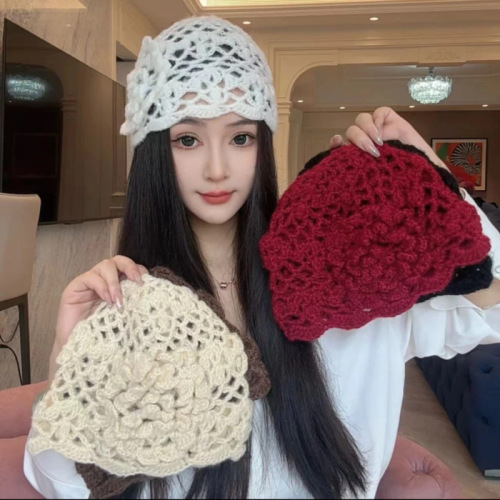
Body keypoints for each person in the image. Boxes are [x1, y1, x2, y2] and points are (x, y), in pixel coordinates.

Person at [0, 15, 498, 500]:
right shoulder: (131, 306)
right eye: (188, 139)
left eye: (240, 137)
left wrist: (428, 173)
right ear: (153, 153)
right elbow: (64, 485)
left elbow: (492, 309)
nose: (217, 169)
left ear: (262, 145)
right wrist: (68, 362)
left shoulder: (348, 271)